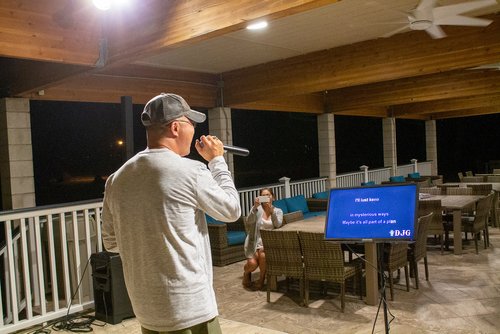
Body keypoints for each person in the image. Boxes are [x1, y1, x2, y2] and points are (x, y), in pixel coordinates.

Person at [101, 93, 241, 334]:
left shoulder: (116, 179)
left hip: (147, 310)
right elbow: (231, 210)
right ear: (176, 127)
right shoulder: (191, 171)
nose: (195, 132)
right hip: (190, 309)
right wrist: (217, 161)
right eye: (192, 125)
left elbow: (111, 243)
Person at [242, 188, 283, 290]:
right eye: (264, 195)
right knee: (252, 265)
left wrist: (272, 211)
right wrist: (255, 207)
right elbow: (248, 221)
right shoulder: (257, 210)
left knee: (263, 254)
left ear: (273, 197)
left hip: (268, 243)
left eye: (268, 195)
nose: (267, 197)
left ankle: (261, 279)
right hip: (254, 243)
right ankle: (246, 273)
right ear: (260, 198)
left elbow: (277, 225)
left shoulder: (278, 211)